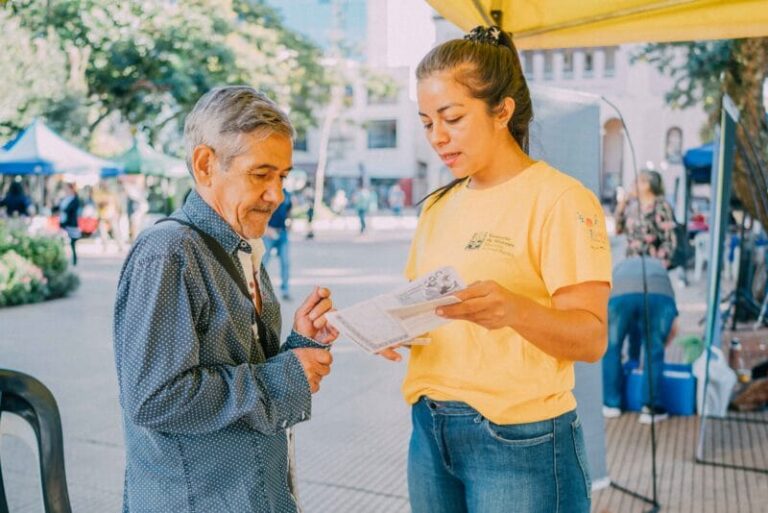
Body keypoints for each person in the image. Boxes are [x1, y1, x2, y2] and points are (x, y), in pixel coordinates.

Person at [377, 26, 612, 513]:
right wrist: (398, 329)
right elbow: (434, 310)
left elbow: (590, 339)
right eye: (426, 123)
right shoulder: (437, 207)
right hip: (429, 428)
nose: (437, 138)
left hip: (518, 438)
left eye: (452, 118)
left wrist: (514, 311)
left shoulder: (561, 200)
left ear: (502, 110)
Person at [113, 86, 339, 513]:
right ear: (205, 165)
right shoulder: (168, 253)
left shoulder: (239, 245)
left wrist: (298, 347)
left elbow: (244, 368)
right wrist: (285, 376)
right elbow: (154, 397)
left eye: (283, 176)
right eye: (261, 174)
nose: (278, 194)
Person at [602, 256, 679, 424]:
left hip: (619, 296)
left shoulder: (620, 265)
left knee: (612, 347)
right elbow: (673, 327)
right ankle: (650, 409)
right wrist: (659, 343)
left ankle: (611, 405)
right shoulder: (659, 268)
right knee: (654, 350)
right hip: (658, 296)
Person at [614, 169, 677, 268]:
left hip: (651, 265)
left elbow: (669, 239)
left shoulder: (661, 206)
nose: (632, 185)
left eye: (636, 182)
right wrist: (622, 205)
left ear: (647, 185)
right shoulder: (633, 206)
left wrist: (660, 265)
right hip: (632, 263)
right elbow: (618, 230)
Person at [263, 188, 293, 301]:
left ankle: (285, 291)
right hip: (268, 233)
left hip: (282, 233)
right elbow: (260, 211)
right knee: (263, 263)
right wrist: (265, 228)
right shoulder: (268, 192)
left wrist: (291, 223)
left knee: (285, 262)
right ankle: (259, 291)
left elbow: (289, 210)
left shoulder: (287, 194)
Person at [59, 182, 81, 266]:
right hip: (64, 222)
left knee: (73, 242)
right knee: (62, 241)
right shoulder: (65, 199)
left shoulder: (75, 199)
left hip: (71, 223)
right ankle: (62, 259)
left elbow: (69, 210)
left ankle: (74, 259)